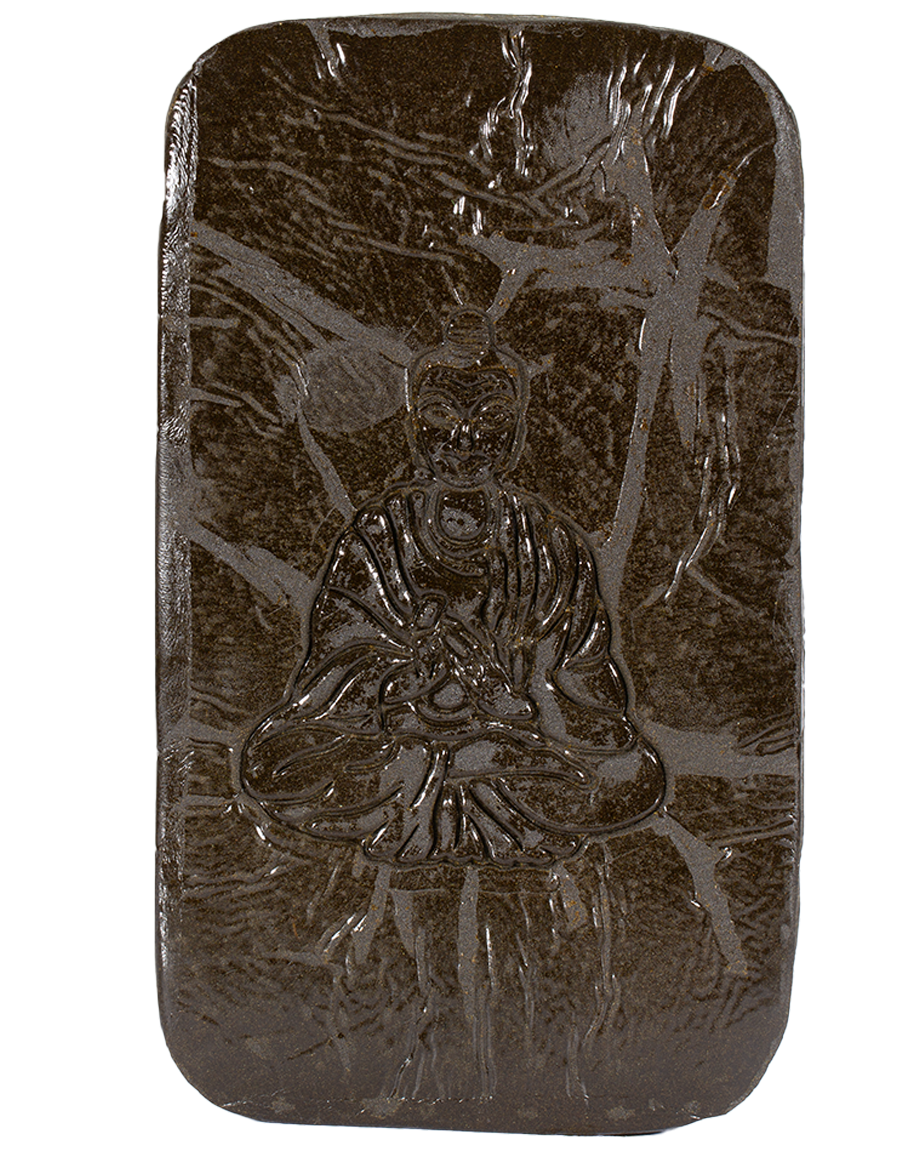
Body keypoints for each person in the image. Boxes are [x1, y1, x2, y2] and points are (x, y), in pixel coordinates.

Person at [239, 309, 665, 866]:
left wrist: (511, 699)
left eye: (490, 420)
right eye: (442, 417)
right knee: (267, 766)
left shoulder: (547, 544)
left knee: (636, 777)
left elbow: (590, 695)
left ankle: (442, 778)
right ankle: (451, 774)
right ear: (416, 426)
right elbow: (329, 675)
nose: (465, 440)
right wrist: (407, 677)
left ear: (515, 432)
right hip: (401, 741)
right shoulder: (381, 533)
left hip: (512, 748)